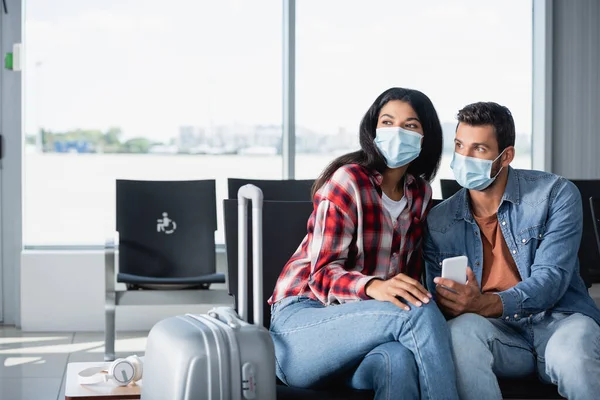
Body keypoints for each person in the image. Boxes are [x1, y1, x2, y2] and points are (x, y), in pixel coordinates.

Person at [267, 87, 459, 400]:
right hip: (302, 327)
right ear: (373, 129)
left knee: (398, 361)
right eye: (387, 122)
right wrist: (373, 287)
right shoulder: (349, 180)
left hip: (367, 333)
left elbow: (407, 280)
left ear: (426, 137)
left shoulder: (419, 193)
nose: (397, 131)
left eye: (410, 125)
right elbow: (322, 274)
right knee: (415, 310)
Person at [424, 101, 600, 400]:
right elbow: (440, 299)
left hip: (560, 320)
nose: (464, 158)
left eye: (479, 149)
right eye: (459, 145)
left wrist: (483, 303)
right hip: (497, 332)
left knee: (574, 357)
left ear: (506, 156)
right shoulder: (439, 221)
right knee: (458, 334)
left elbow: (551, 280)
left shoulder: (555, 194)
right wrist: (452, 302)